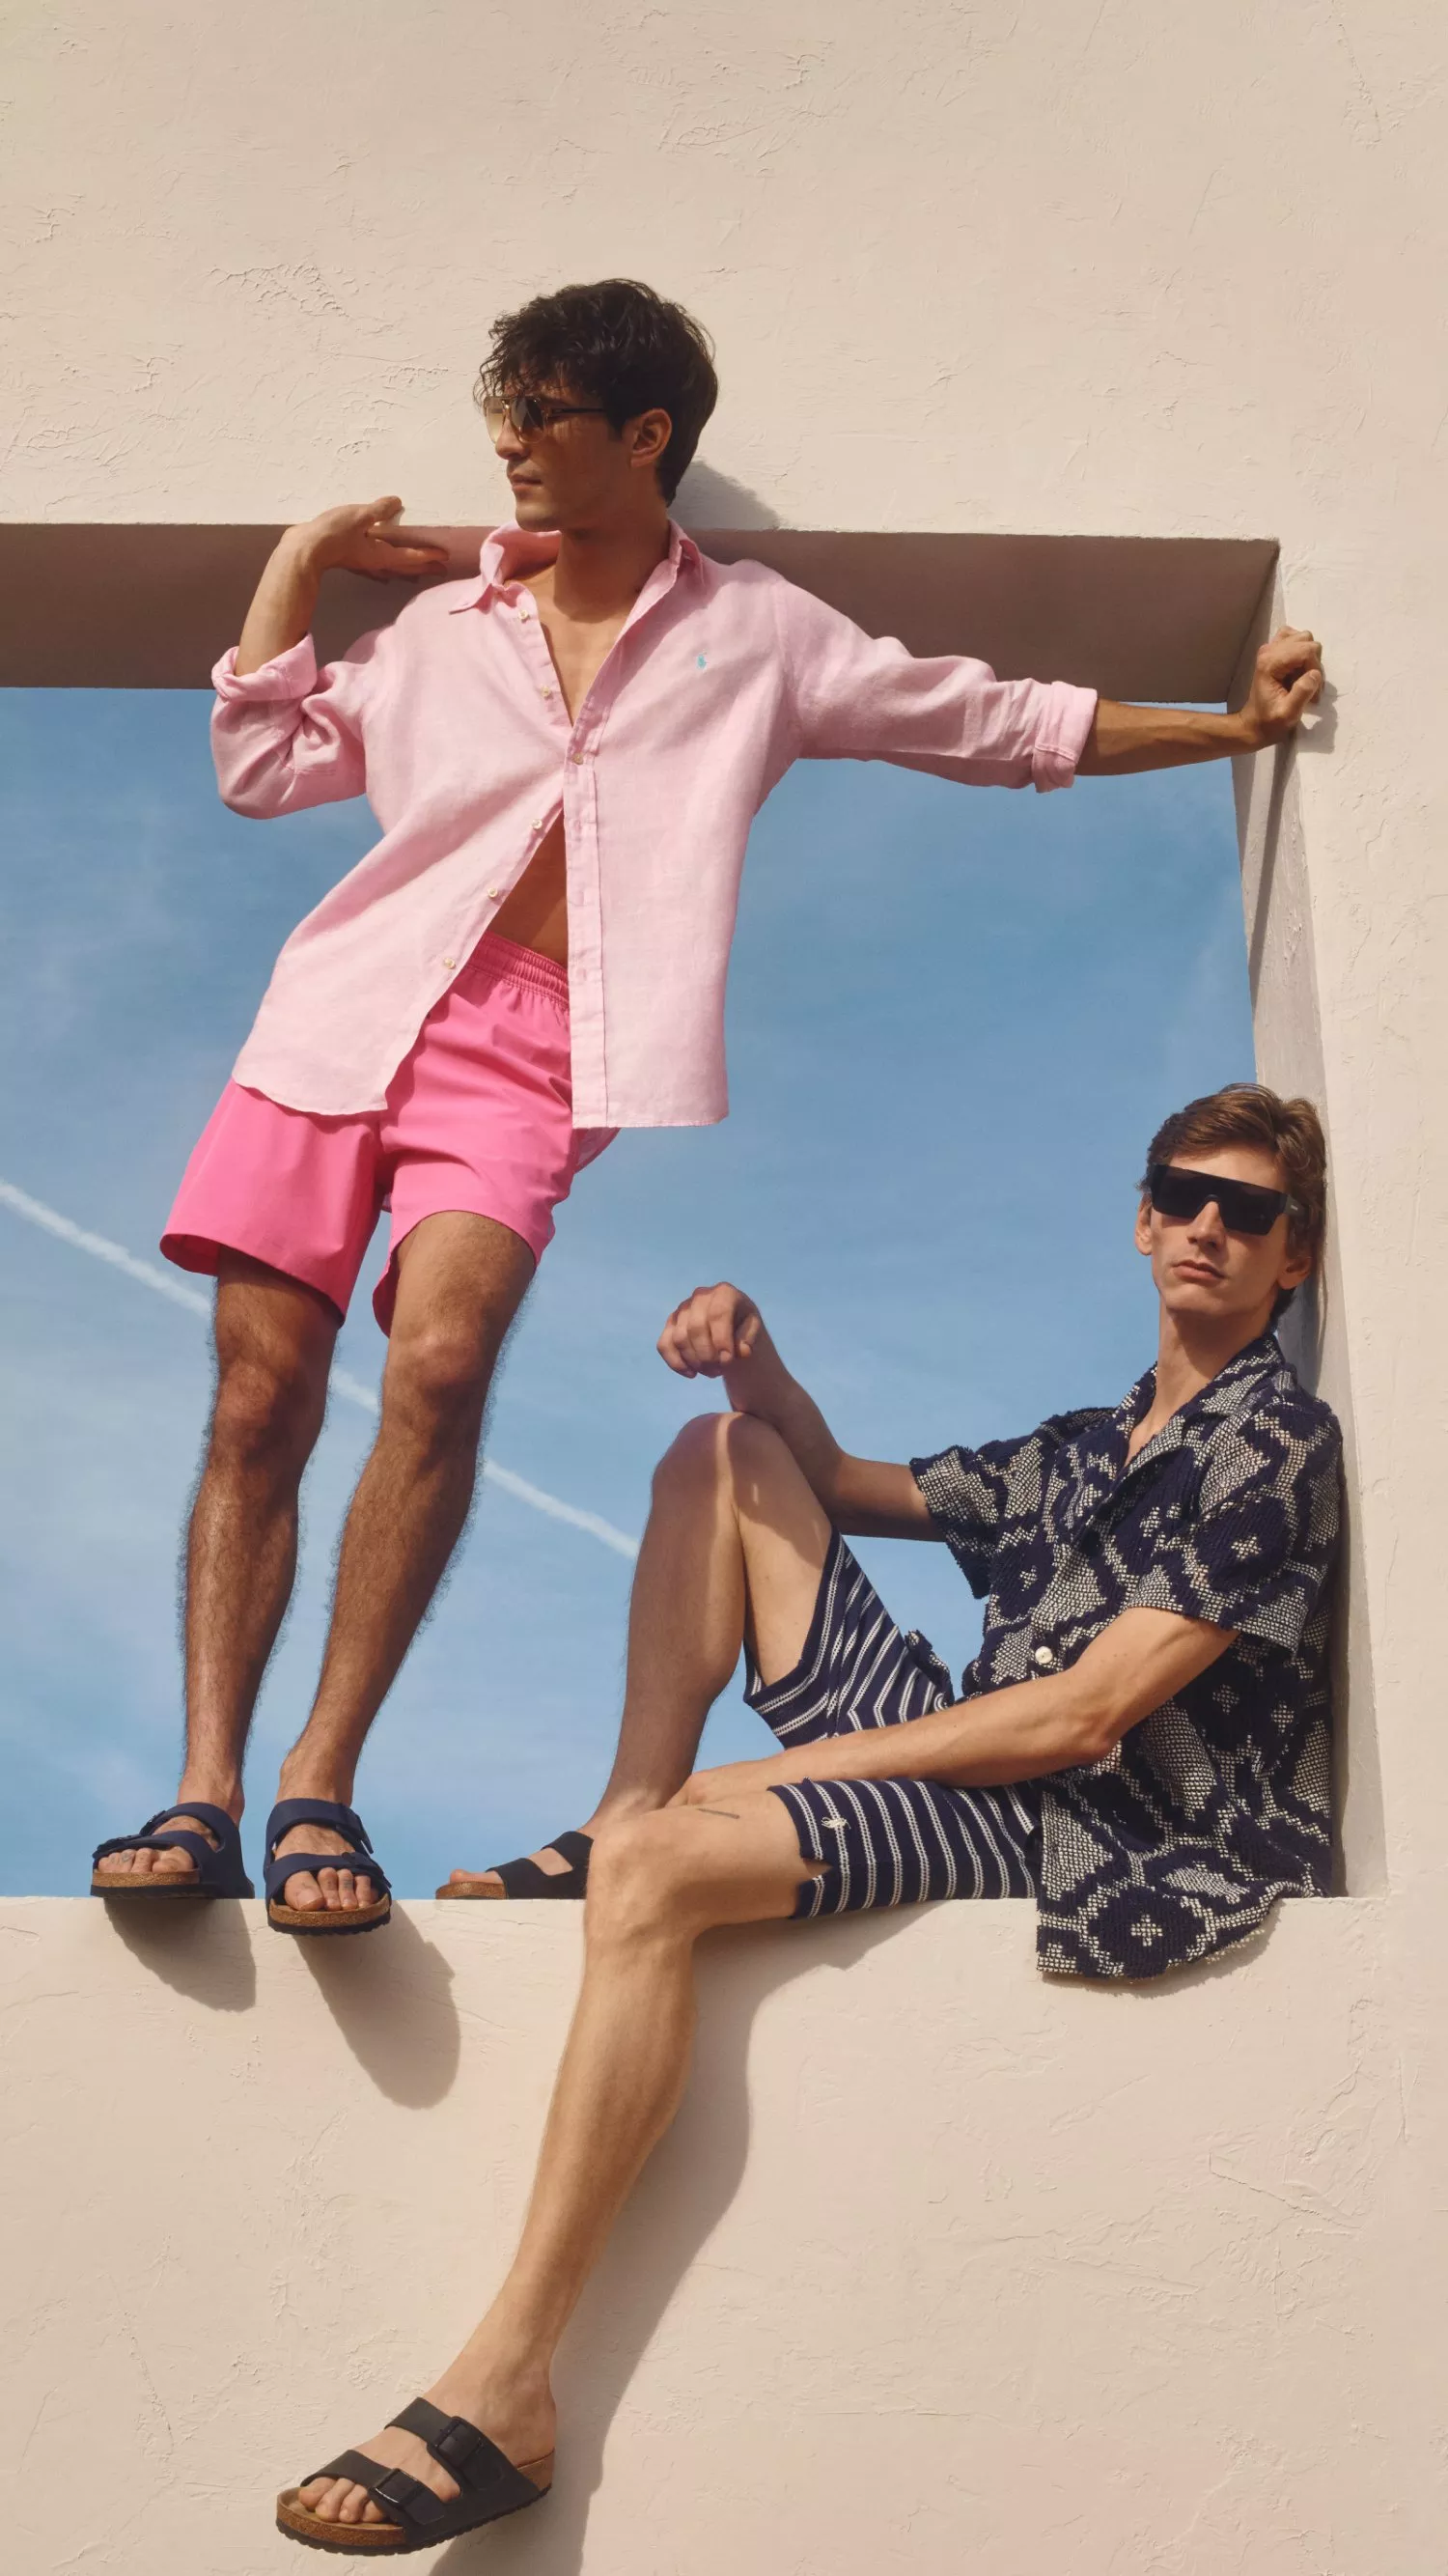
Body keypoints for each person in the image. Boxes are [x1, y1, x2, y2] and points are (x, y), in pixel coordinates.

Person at [90, 277, 1325, 1930]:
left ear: (645, 434)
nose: (511, 446)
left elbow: (987, 718)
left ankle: (320, 1785)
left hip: (533, 1052)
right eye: (504, 414)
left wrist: (1228, 724)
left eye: (544, 416)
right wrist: (298, 561)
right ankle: (208, 1789)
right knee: (259, 1402)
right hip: (332, 1018)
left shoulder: (756, 634)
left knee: (442, 1367)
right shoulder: (443, 628)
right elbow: (261, 767)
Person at [274, 1080, 1342, 2551]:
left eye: (1254, 1213)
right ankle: (624, 1801)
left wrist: (779, 1776)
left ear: (1296, 1259)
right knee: (722, 1458)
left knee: (659, 1870)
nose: (1210, 1228)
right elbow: (834, 1485)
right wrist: (754, 1356)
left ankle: (506, 2380)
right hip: (970, 1773)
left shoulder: (1275, 1442)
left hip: (1086, 1837)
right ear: (1145, 1218)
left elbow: (1083, 1718)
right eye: (1185, 1196)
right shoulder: (1083, 1445)